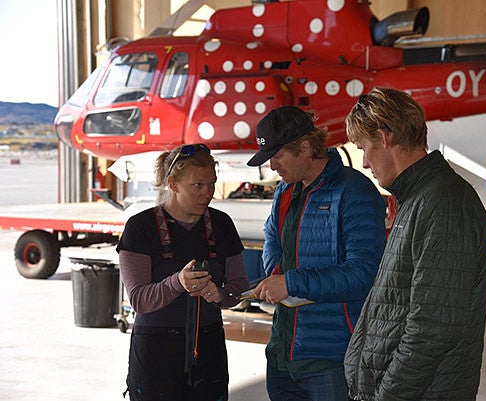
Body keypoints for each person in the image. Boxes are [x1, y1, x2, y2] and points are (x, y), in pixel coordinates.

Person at [343, 87, 486, 401]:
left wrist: (387, 394)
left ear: (383, 137)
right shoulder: (417, 197)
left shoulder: (442, 202)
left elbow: (433, 328)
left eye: (363, 148)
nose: (365, 163)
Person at [246, 105, 387, 401]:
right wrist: (278, 276)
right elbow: (272, 238)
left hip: (331, 360)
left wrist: (291, 283)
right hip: (282, 355)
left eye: (278, 155)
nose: (272, 166)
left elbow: (364, 272)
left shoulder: (353, 191)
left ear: (306, 147)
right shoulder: (285, 191)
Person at [117, 143, 249, 401]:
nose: (207, 193)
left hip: (209, 349)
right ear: (173, 184)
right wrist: (177, 283)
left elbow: (239, 287)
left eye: (211, 184)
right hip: (156, 352)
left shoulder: (221, 224)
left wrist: (220, 294)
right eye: (197, 185)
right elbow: (139, 300)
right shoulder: (140, 227)